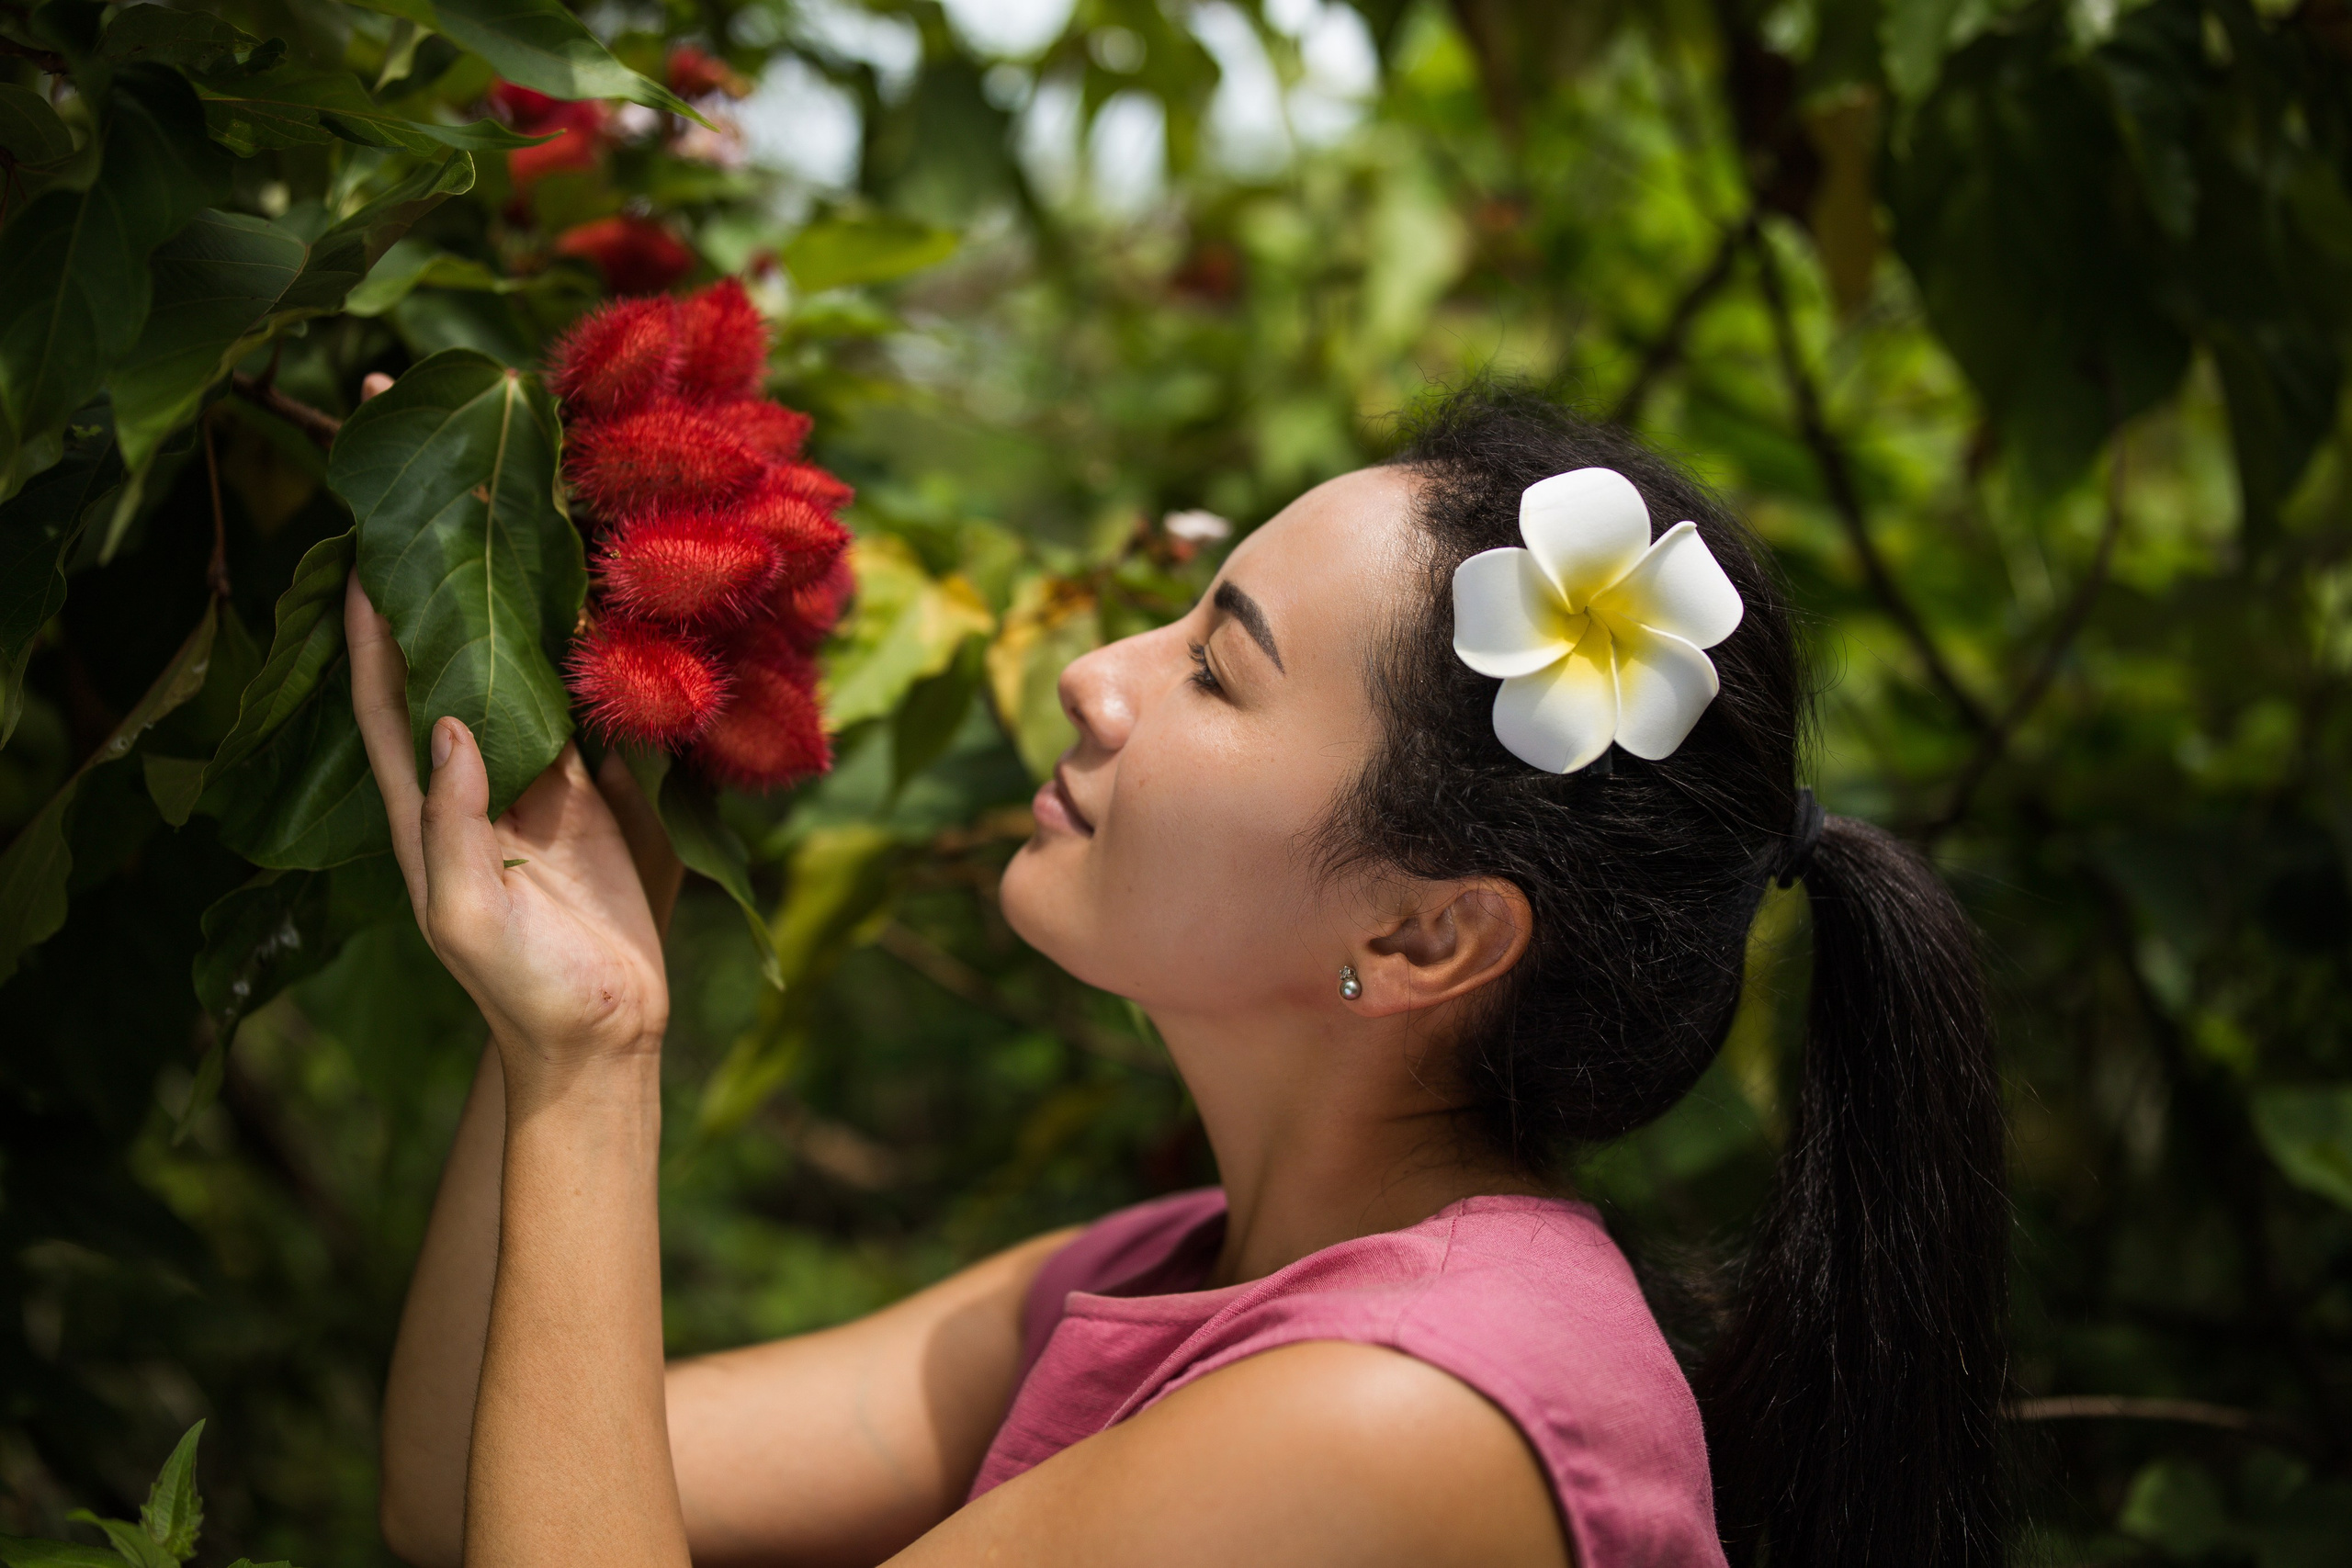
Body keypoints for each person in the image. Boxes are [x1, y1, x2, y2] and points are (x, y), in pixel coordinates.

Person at [364, 385, 2009, 1568]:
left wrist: (595, 1065)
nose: (1093, 676)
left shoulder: (1397, 1417)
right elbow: (457, 1490)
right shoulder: (1187, 1270)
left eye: (1216, 674)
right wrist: (557, 1021)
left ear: (1424, 934)